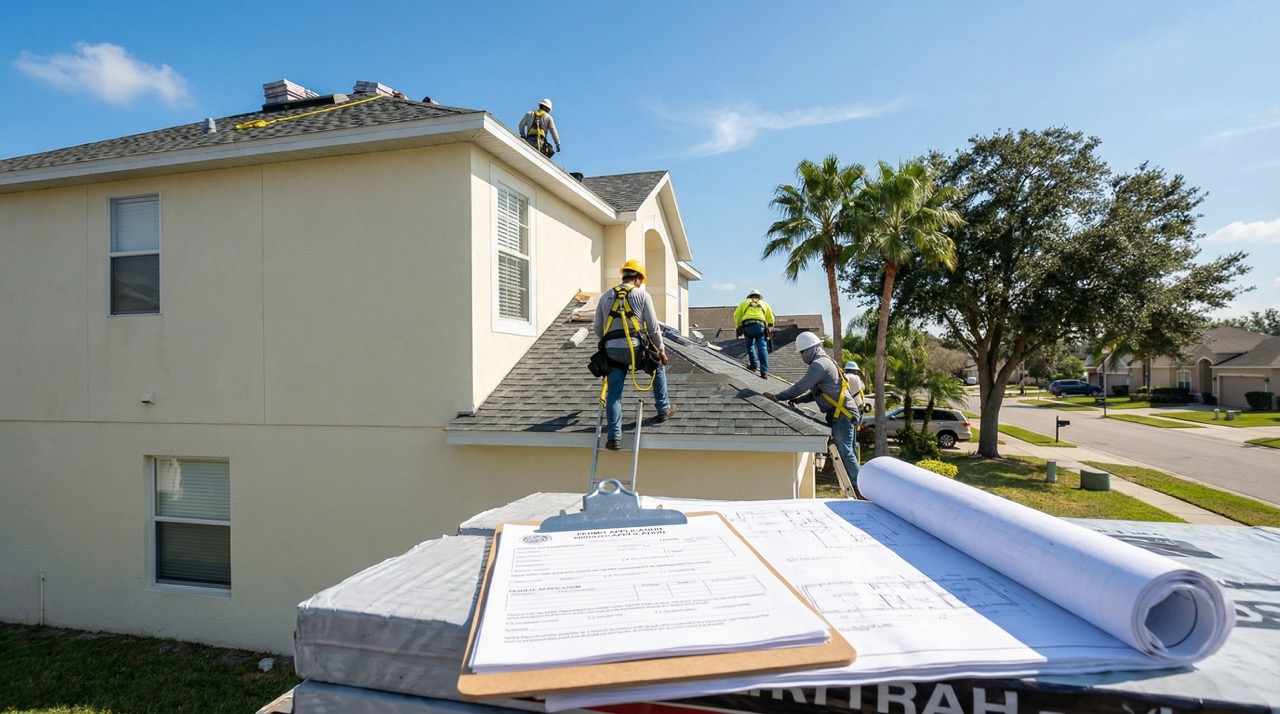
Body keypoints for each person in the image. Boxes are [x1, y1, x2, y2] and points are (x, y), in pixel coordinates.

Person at [592, 259, 676, 450]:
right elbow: (653, 328)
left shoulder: (605, 296)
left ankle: (614, 437)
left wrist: (610, 342)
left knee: (614, 393)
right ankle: (663, 408)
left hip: (612, 351)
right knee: (657, 366)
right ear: (637, 278)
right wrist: (661, 351)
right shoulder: (642, 295)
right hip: (636, 348)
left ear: (624, 276)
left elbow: (597, 327)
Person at [764, 332, 862, 495]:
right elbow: (818, 392)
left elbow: (801, 386)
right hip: (845, 412)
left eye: (802, 352)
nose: (801, 356)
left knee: (844, 451)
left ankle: (859, 489)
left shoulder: (819, 364)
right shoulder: (826, 361)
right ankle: (857, 485)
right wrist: (800, 400)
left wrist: (777, 397)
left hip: (842, 413)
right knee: (848, 452)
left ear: (810, 349)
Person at [732, 289, 775, 379]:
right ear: (758, 296)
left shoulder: (744, 303)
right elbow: (771, 318)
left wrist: (738, 325)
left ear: (750, 296)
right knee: (762, 348)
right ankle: (764, 371)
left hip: (748, 325)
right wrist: (769, 328)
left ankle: (753, 365)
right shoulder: (764, 304)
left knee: (750, 346)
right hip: (760, 326)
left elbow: (736, 315)